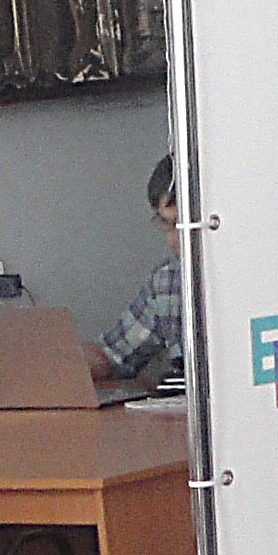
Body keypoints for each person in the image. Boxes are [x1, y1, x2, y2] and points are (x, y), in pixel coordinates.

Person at [94, 154, 183, 383]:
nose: (175, 238)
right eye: (167, 224)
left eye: (182, 224)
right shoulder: (166, 282)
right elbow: (114, 357)